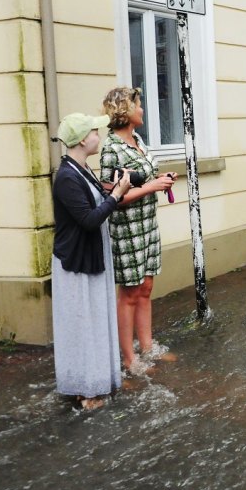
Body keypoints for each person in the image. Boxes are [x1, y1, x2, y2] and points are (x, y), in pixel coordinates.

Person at [51, 113, 132, 410]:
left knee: (94, 320)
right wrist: (118, 195)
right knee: (82, 323)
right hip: (76, 262)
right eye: (96, 132)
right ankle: (84, 391)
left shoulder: (81, 169)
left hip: (91, 256)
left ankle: (94, 382)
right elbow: (87, 220)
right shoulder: (67, 178)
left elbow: (94, 204)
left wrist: (111, 190)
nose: (100, 135)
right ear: (84, 139)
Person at [99, 87, 177, 372]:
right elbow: (112, 198)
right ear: (125, 110)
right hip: (127, 230)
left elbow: (141, 179)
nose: (142, 110)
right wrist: (151, 187)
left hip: (147, 225)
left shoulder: (137, 140)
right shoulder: (111, 149)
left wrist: (160, 179)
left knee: (145, 288)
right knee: (129, 293)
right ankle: (130, 360)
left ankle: (147, 347)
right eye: (138, 105)